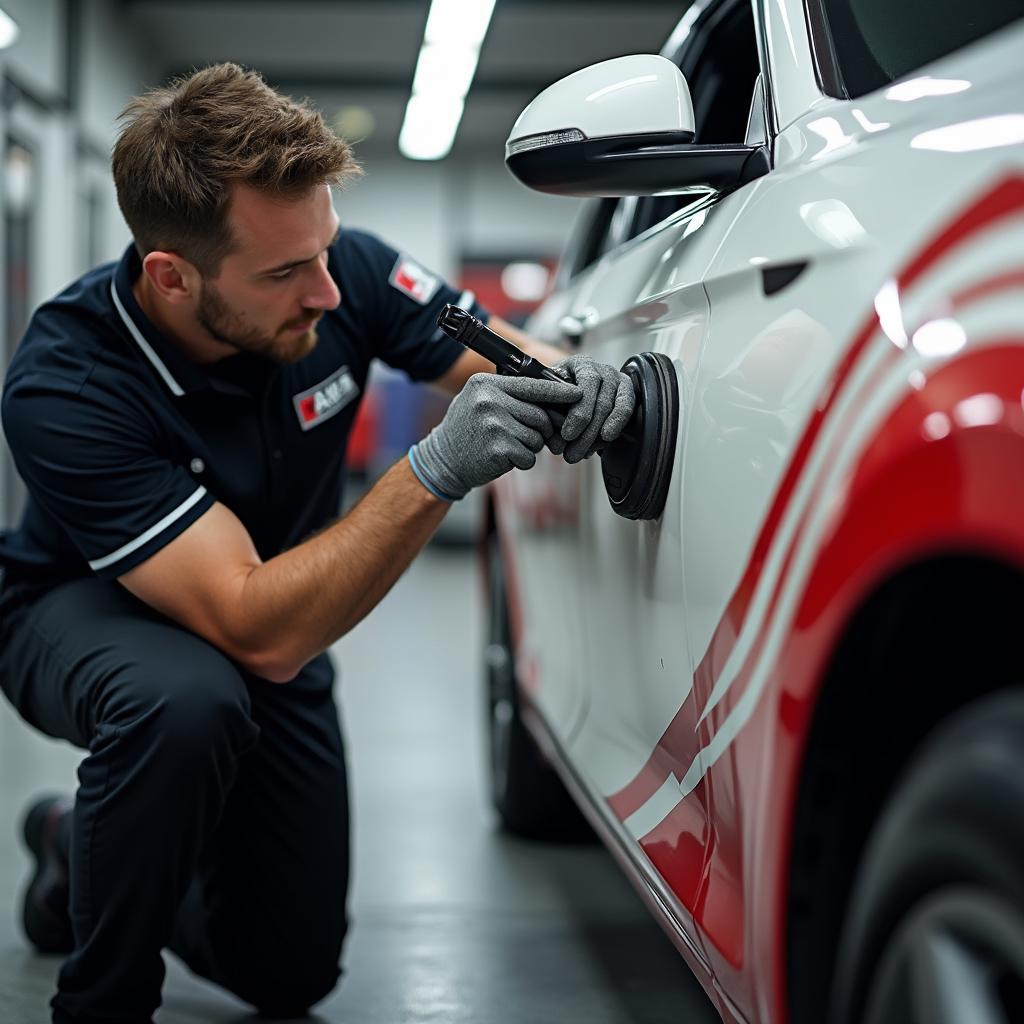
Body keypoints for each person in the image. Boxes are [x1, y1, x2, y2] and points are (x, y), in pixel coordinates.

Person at [0, 63, 634, 1024]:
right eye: (286, 272)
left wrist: (584, 386)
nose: (331, 294)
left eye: (327, 251)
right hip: (83, 609)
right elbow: (255, 630)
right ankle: (103, 1001)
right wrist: (432, 471)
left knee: (290, 974)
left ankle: (69, 847)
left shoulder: (337, 273)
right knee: (183, 700)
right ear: (172, 275)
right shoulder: (66, 383)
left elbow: (508, 353)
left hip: (272, 600)